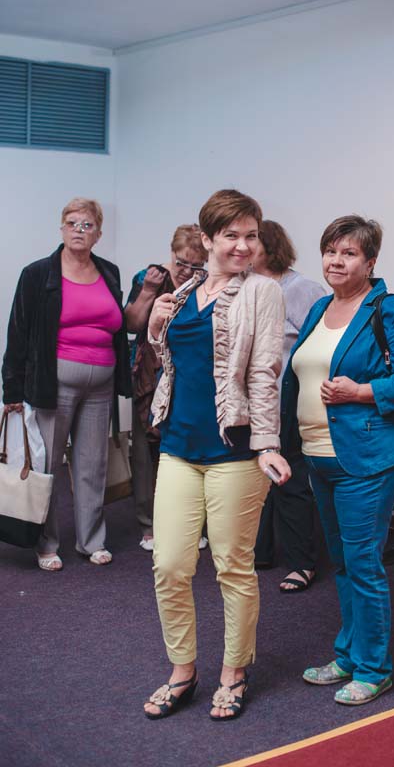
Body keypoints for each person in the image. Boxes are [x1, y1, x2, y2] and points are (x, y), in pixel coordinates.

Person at [143, 189, 291, 722]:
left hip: (234, 451)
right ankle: (183, 671)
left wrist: (268, 443)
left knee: (232, 566)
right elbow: (173, 363)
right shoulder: (182, 292)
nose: (243, 246)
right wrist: (155, 325)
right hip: (178, 446)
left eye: (251, 236)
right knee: (170, 564)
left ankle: (234, 672)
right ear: (206, 239)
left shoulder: (263, 292)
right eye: (231, 235)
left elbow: (265, 372)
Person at [281, 214, 394, 705]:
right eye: (330, 251)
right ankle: (348, 655)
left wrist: (361, 391)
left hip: (365, 458)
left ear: (370, 262)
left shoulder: (388, 310)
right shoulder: (320, 307)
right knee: (343, 564)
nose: (336, 261)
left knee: (363, 564)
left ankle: (373, 669)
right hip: (318, 455)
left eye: (348, 253)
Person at [2, 198, 131, 571]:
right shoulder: (38, 273)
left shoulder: (109, 272)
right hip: (52, 383)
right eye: (72, 223)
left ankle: (92, 541)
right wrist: (12, 390)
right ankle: (46, 543)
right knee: (47, 465)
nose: (79, 230)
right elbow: (18, 331)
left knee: (93, 464)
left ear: (98, 234)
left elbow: (118, 325)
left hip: (101, 384)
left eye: (87, 225)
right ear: (61, 229)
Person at [124, 225, 208, 552]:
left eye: (195, 265)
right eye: (181, 262)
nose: (186, 270)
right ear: (171, 253)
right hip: (149, 372)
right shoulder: (149, 276)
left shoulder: (206, 285)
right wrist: (148, 290)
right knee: (145, 452)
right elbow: (131, 324)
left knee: (185, 448)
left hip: (188, 374)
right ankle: (149, 524)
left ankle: (191, 523)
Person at [252, 220, 325, 592]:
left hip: (289, 400)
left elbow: (322, 346)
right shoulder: (246, 288)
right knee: (255, 478)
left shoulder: (302, 290)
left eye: (251, 240)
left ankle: (302, 563)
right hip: (254, 402)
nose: (242, 248)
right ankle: (260, 552)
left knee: (290, 479)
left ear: (270, 247)